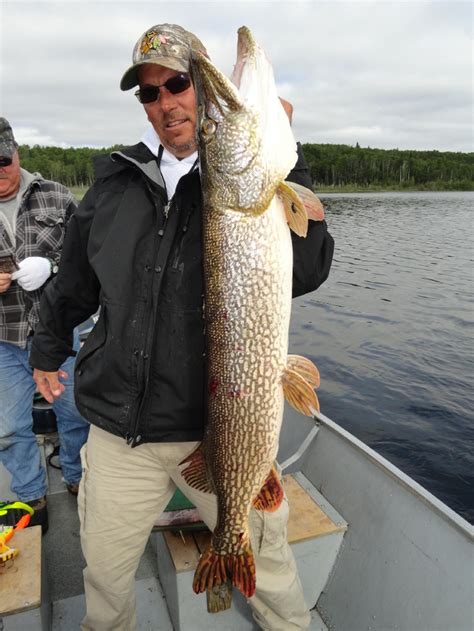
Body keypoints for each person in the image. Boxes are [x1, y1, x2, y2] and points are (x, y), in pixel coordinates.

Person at [30, 23, 334, 630]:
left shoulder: (253, 185)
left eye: (178, 83)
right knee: (105, 584)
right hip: (120, 434)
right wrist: (45, 350)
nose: (166, 102)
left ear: (197, 86)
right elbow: (72, 286)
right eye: (149, 92)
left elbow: (307, 271)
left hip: (214, 429)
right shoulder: (113, 186)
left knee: (270, 569)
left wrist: (288, 170)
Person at [0, 117, 90, 533]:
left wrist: (52, 266)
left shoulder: (56, 195)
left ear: (17, 152)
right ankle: (30, 494)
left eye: (4, 161)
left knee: (75, 412)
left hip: (57, 333)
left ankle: (77, 477)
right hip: (3, 338)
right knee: (8, 426)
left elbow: (89, 260)